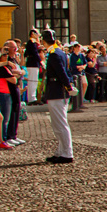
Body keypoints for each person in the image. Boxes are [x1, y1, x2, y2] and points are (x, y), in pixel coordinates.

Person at [40, 30, 74, 164]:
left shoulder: (54, 54)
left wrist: (68, 86)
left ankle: (67, 153)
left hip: (56, 91)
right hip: (59, 90)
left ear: (44, 40)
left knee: (60, 124)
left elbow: (61, 72)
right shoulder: (59, 51)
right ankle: (61, 151)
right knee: (58, 124)